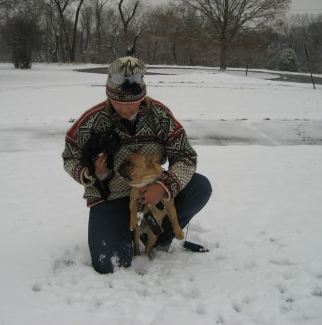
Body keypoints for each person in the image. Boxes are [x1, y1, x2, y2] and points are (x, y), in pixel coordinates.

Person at [62, 57, 212, 274]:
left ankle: (160, 235)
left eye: (131, 102)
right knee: (110, 264)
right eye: (118, 103)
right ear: (108, 95)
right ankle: (124, 228)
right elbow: (70, 157)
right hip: (110, 196)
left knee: (200, 187)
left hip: (152, 192)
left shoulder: (160, 116)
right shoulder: (91, 120)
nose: (124, 109)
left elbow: (186, 157)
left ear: (142, 95)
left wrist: (164, 186)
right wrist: (88, 172)